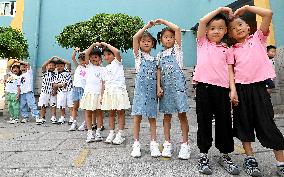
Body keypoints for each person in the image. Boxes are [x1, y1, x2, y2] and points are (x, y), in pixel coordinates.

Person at [229, 5, 284, 177]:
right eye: (232, 28)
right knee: (243, 124)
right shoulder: (232, 50)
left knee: (267, 123)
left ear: (248, 27)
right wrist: (233, 91)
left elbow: (268, 13)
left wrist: (246, 8)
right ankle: (250, 159)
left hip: (260, 89)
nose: (237, 28)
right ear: (230, 35)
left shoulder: (258, 39)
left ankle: (281, 163)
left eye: (240, 24)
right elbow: (230, 71)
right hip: (241, 90)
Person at [193, 7, 239, 175]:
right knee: (203, 121)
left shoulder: (228, 50)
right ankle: (203, 155)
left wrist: (232, 90)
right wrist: (220, 9)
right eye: (212, 28)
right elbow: (202, 21)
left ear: (226, 30)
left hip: (222, 90)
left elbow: (230, 71)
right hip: (203, 88)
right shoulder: (202, 43)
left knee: (225, 122)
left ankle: (224, 154)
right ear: (206, 31)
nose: (216, 31)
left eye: (220, 28)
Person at [155, 19, 190, 159]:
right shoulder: (159, 55)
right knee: (167, 116)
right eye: (165, 37)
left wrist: (162, 21)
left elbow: (177, 28)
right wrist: (158, 86)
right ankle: (167, 144)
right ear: (161, 40)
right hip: (166, 90)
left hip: (178, 88)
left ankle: (185, 145)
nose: (168, 39)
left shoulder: (178, 50)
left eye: (171, 37)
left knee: (182, 115)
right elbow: (158, 72)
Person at [130, 21, 161, 158]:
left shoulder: (156, 59)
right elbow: (134, 38)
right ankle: (136, 144)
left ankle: (153, 143)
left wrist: (159, 87)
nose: (146, 43)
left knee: (152, 118)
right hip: (140, 92)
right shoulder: (138, 57)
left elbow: (158, 75)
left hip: (152, 93)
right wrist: (146, 27)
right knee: (137, 117)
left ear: (153, 44)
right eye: (143, 41)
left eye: (149, 41)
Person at [100, 42, 131, 145]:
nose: (106, 57)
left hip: (118, 90)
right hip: (109, 92)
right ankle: (111, 132)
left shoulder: (117, 62)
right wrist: (101, 95)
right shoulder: (105, 69)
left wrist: (105, 44)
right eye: (104, 55)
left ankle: (120, 134)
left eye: (109, 54)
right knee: (111, 113)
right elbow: (103, 83)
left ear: (113, 55)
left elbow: (117, 51)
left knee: (120, 112)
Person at [79, 43, 104, 142]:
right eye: (92, 57)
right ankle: (90, 133)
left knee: (99, 113)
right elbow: (85, 54)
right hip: (89, 93)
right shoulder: (88, 66)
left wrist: (102, 95)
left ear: (100, 58)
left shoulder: (103, 69)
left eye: (96, 57)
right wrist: (93, 45)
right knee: (88, 113)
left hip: (98, 94)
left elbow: (103, 83)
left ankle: (98, 132)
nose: (94, 58)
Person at [69, 48, 86, 131]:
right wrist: (75, 51)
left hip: (84, 89)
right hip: (75, 88)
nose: (81, 62)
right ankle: (74, 122)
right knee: (75, 106)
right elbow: (72, 58)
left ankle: (85, 123)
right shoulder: (78, 66)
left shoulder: (89, 68)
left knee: (85, 107)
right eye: (80, 61)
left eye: (83, 60)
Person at [53, 58, 73, 124]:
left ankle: (72, 118)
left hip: (69, 91)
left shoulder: (67, 71)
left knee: (70, 105)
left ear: (64, 66)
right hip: (61, 92)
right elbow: (54, 85)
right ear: (56, 67)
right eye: (58, 66)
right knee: (61, 105)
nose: (59, 67)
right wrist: (60, 85)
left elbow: (69, 63)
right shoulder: (56, 74)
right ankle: (62, 117)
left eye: (61, 66)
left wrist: (60, 59)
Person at [38, 57, 57, 123]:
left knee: (53, 105)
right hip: (44, 92)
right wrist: (50, 59)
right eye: (50, 65)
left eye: (53, 65)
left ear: (55, 67)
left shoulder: (56, 74)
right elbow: (43, 66)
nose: (51, 67)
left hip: (52, 92)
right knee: (43, 105)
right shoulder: (45, 72)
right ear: (47, 66)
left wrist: (55, 91)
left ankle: (53, 117)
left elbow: (56, 84)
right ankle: (42, 117)